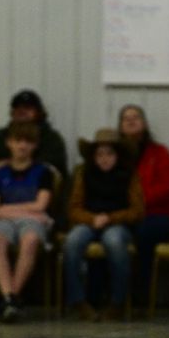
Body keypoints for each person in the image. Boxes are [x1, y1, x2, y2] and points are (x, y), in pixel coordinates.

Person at [62, 129, 145, 321]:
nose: (104, 159)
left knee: (114, 241)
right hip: (89, 220)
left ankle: (117, 302)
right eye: (99, 154)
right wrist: (92, 219)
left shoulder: (129, 175)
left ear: (118, 155)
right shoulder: (84, 174)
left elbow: (137, 210)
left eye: (109, 154)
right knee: (73, 240)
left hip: (118, 223)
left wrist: (111, 218)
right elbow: (73, 208)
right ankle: (78, 300)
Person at [0, 122, 54, 322]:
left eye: (27, 142)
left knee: (30, 239)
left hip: (31, 221)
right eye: (18, 141)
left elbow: (41, 205)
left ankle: (11, 297)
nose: (22, 146)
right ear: (9, 143)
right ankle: (9, 298)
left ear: (35, 145)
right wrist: (26, 209)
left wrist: (5, 209)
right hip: (6, 221)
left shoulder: (43, 172)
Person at [116, 105, 169, 305]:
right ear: (120, 126)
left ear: (144, 124)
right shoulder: (114, 155)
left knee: (144, 233)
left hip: (159, 214)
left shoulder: (159, 153)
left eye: (136, 117)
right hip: (126, 214)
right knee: (110, 233)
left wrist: (138, 202)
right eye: (126, 118)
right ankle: (109, 296)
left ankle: (141, 295)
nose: (131, 120)